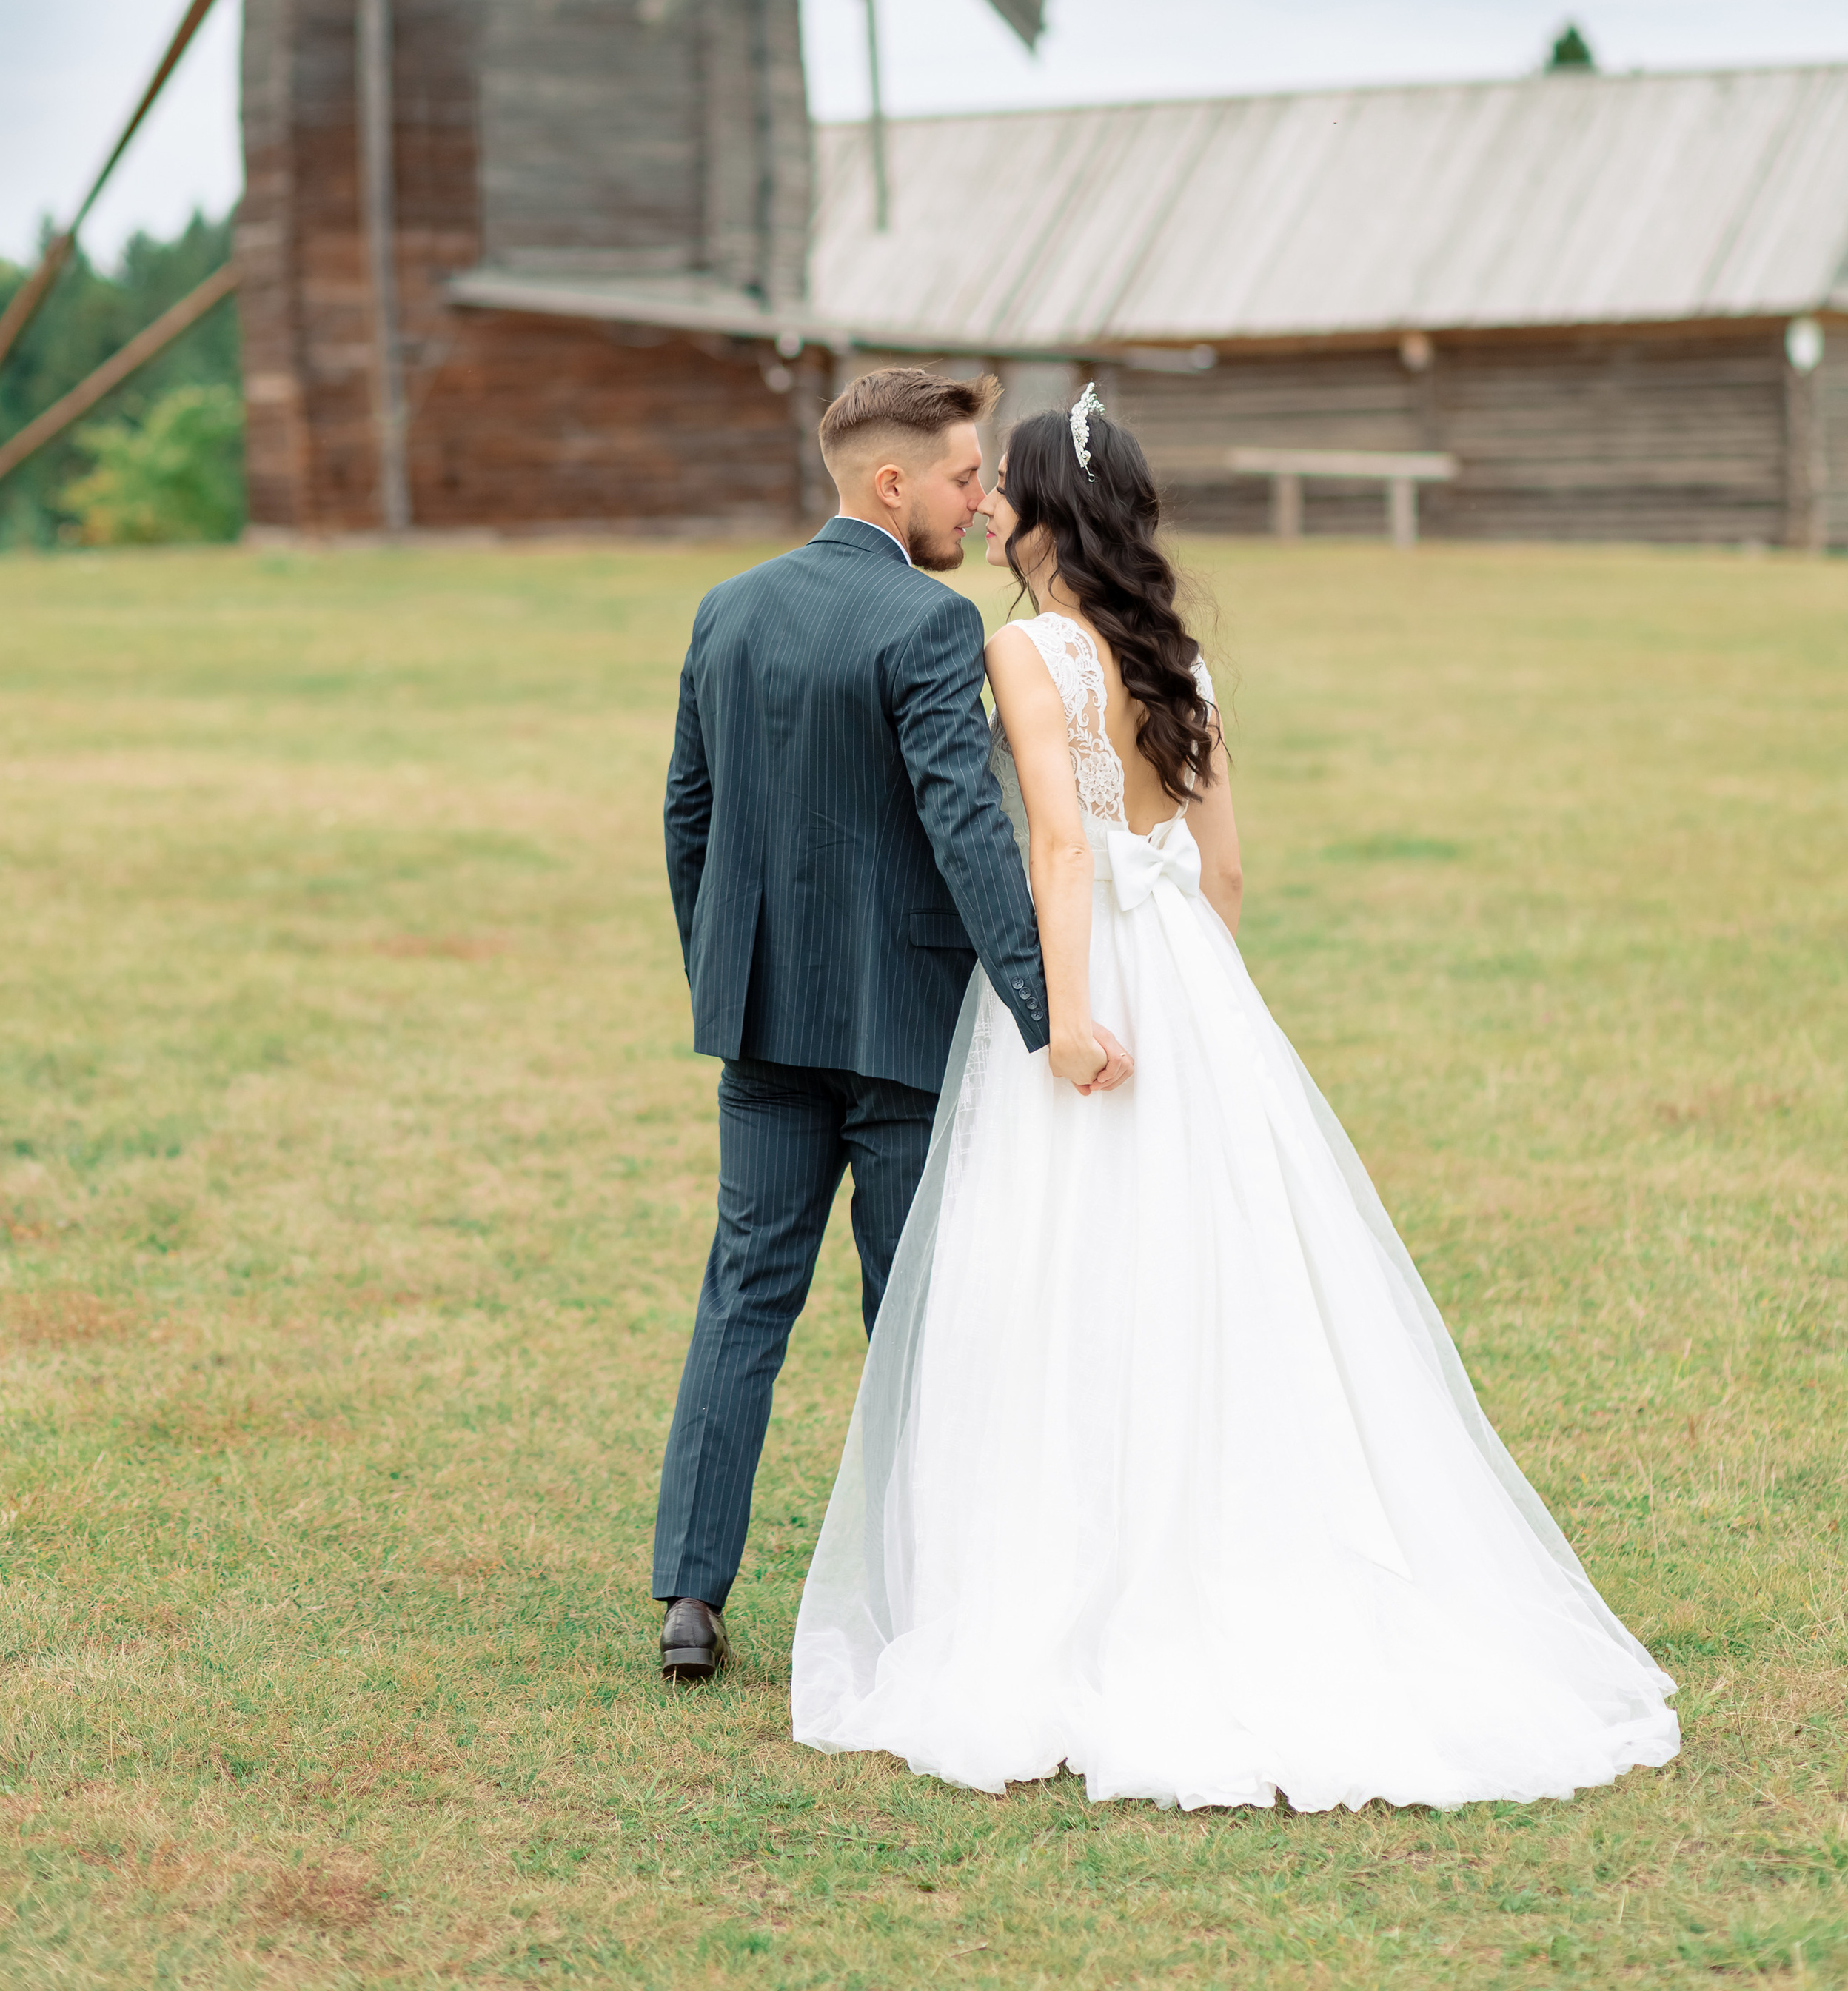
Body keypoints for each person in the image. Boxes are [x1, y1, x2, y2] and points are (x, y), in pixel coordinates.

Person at [791, 384, 1680, 1810]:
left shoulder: (1027, 649)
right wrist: (1200, 1000)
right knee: (1217, 1260)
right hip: (1193, 978)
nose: (990, 503)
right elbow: (1227, 870)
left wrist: (1066, 1019)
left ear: (1049, 513)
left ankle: (1067, 1576)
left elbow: (1060, 851)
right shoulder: (1180, 658)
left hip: (1090, 973)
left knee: (1061, 1265)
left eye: (1006, 485)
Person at [654, 367, 1105, 1685]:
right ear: (892, 483)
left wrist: (723, 972)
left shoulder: (729, 608)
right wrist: (1047, 1012)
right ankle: (922, 1594)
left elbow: (688, 815)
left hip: (762, 1022)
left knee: (744, 1296)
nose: (981, 502)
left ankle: (690, 1597)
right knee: (910, 1310)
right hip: (906, 1023)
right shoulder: (929, 622)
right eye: (963, 478)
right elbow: (967, 827)